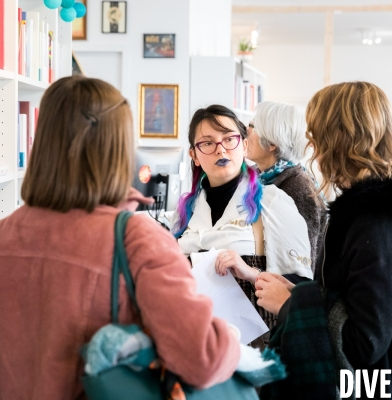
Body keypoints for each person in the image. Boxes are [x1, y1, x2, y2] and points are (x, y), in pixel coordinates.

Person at [0, 77, 241, 398]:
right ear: (118, 148)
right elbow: (205, 359)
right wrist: (231, 335)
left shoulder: (6, 232)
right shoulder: (137, 239)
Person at [255, 81, 392, 398]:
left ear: (336, 140)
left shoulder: (378, 225)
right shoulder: (369, 215)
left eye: (317, 137)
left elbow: (362, 344)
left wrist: (293, 305)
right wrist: (306, 295)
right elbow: (355, 303)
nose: (314, 149)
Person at [172, 105, 313, 335]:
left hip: (252, 349)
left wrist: (250, 272)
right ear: (194, 156)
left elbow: (301, 287)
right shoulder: (184, 210)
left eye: (229, 139)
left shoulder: (274, 202)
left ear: (244, 145)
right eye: (207, 143)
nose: (221, 150)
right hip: (190, 338)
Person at [246, 101, 327, 271]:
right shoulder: (253, 177)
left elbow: (305, 264)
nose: (246, 132)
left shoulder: (300, 189)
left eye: (252, 126)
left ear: (272, 143)